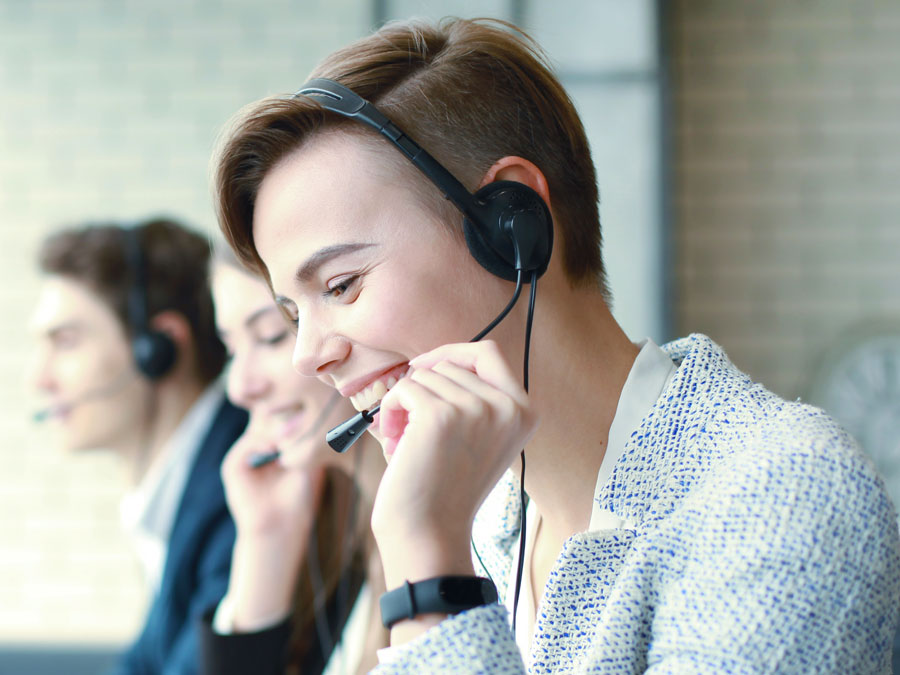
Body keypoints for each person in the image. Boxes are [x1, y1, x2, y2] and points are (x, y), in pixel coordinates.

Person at [211, 17, 900, 673]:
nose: (309, 355)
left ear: (511, 224)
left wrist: (429, 572)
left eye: (340, 284)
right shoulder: (488, 517)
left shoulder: (781, 495)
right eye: (290, 312)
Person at [29, 218, 248, 675]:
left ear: (159, 347)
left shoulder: (240, 487)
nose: (40, 380)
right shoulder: (178, 487)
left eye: (65, 342)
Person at [196, 247, 387, 674]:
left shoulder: (473, 534)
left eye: (270, 337)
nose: (240, 388)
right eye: (231, 349)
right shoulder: (332, 530)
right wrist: (267, 540)